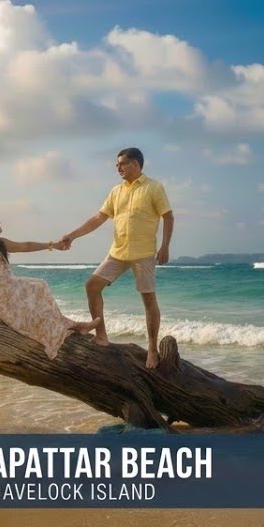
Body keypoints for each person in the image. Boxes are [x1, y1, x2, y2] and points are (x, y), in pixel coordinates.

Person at [59, 147, 173, 368]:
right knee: (92, 285)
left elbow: (168, 216)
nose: (118, 167)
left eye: (122, 163)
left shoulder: (153, 187)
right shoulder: (116, 191)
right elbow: (98, 218)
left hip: (143, 253)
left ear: (135, 164)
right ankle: (101, 336)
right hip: (118, 252)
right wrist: (72, 236)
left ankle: (152, 349)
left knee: (148, 299)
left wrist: (165, 246)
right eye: (117, 164)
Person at [0, 211, 100, 360]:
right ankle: (71, 327)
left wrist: (54, 245)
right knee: (39, 288)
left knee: (40, 288)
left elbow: (26, 246)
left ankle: (72, 326)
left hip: (9, 288)